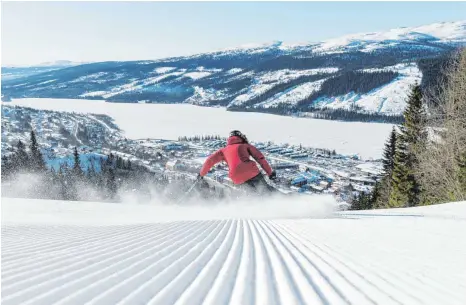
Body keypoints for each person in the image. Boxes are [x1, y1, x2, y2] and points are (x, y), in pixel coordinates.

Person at [198, 130, 277, 195]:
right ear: (241, 137)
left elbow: (209, 161)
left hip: (236, 177)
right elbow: (260, 158)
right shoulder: (245, 145)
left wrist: (201, 175)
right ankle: (285, 201)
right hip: (251, 171)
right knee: (266, 190)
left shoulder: (223, 150)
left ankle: (258, 208)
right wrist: (270, 173)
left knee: (253, 194)